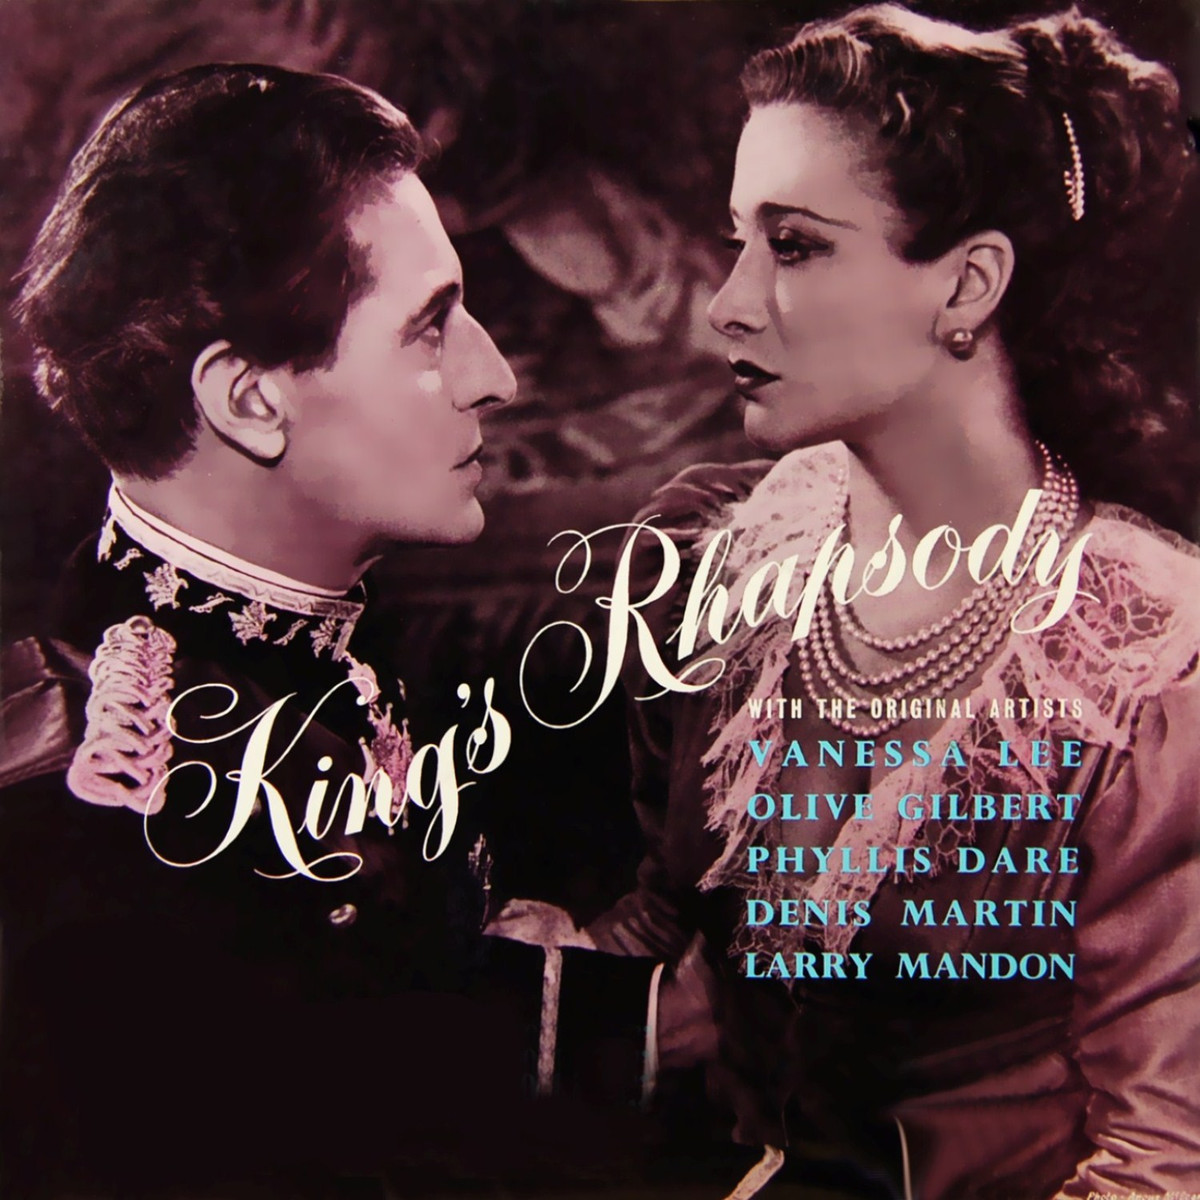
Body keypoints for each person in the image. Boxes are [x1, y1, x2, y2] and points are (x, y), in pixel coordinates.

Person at [0, 63, 651, 1199]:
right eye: (430, 331)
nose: (494, 376)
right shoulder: (90, 807)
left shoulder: (310, 632)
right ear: (251, 401)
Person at [588, 6, 1200, 1198]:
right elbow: (676, 938)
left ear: (967, 283)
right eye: (736, 240)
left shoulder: (1141, 664)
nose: (727, 303)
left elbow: (1167, 1157)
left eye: (794, 246)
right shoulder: (732, 559)